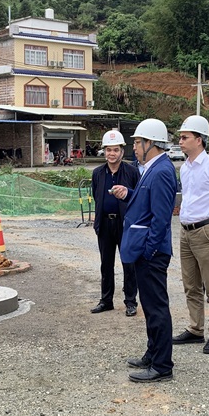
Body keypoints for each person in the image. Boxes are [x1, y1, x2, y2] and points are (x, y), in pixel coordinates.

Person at [110, 118, 178, 383]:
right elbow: (146, 202)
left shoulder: (161, 171)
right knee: (150, 306)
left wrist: (149, 251)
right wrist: (129, 194)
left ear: (151, 143)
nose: (134, 147)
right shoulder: (151, 168)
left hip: (152, 253)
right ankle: (153, 353)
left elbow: (161, 218)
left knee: (156, 307)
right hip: (147, 251)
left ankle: (162, 365)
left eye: (138, 142)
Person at [172, 115, 209, 355]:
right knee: (191, 284)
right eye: (180, 137)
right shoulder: (185, 168)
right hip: (186, 231)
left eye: (185, 137)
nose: (181, 141)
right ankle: (196, 328)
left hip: (207, 229)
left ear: (199, 140)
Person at [90, 130, 141, 316]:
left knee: (129, 263)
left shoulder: (132, 172)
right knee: (106, 264)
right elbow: (97, 197)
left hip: (125, 224)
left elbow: (139, 197)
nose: (112, 153)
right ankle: (106, 300)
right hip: (105, 224)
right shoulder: (98, 173)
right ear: (104, 151)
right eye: (108, 150)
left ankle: (130, 301)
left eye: (115, 150)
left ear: (122, 151)